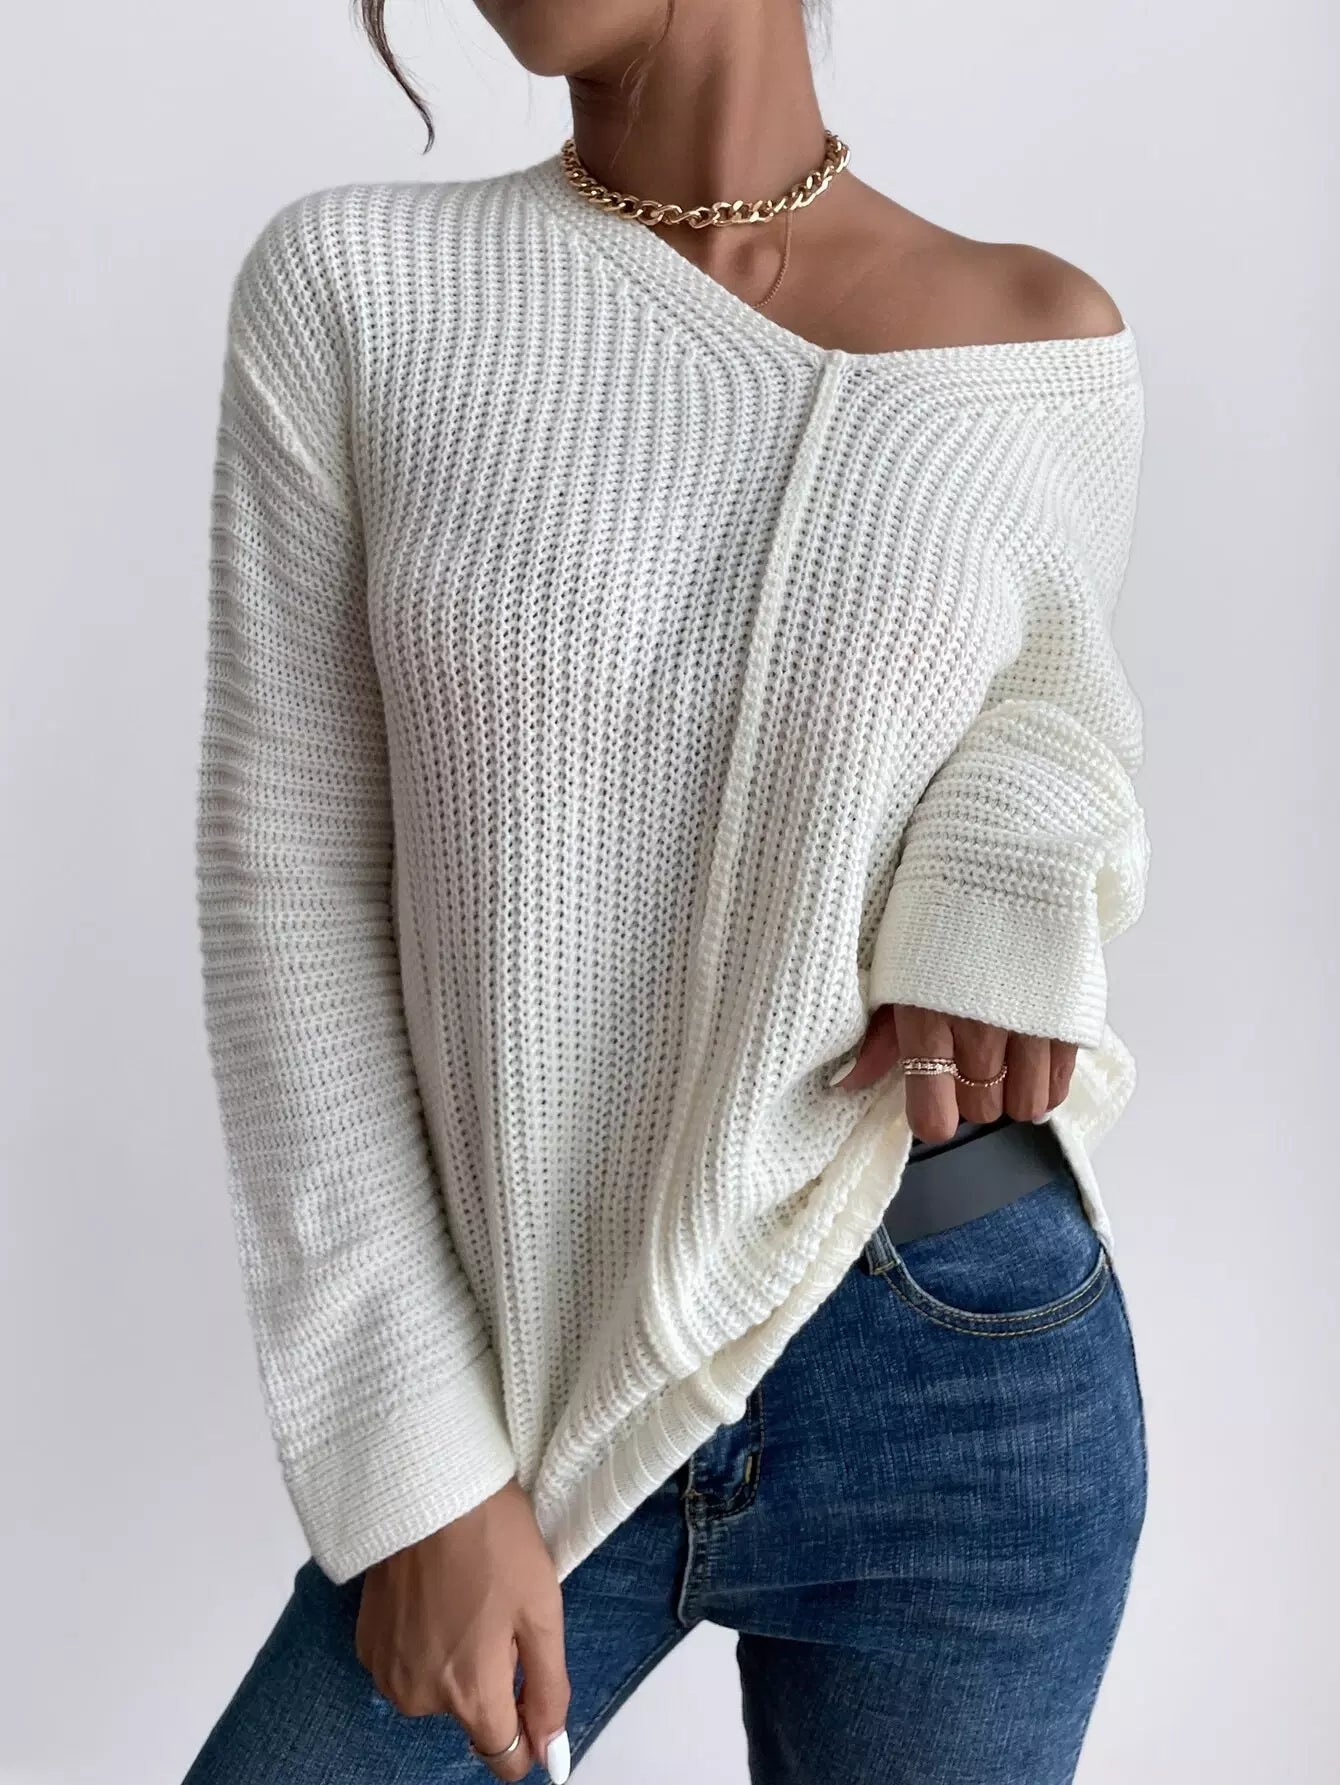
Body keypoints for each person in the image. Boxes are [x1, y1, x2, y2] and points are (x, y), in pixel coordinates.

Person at [184, 1, 1151, 1780]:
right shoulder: (360, 288)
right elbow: (287, 896)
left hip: (963, 1344)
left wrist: (1002, 868)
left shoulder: (1038, 338)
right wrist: (415, 1468)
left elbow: (1062, 724)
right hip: (534, 1364)